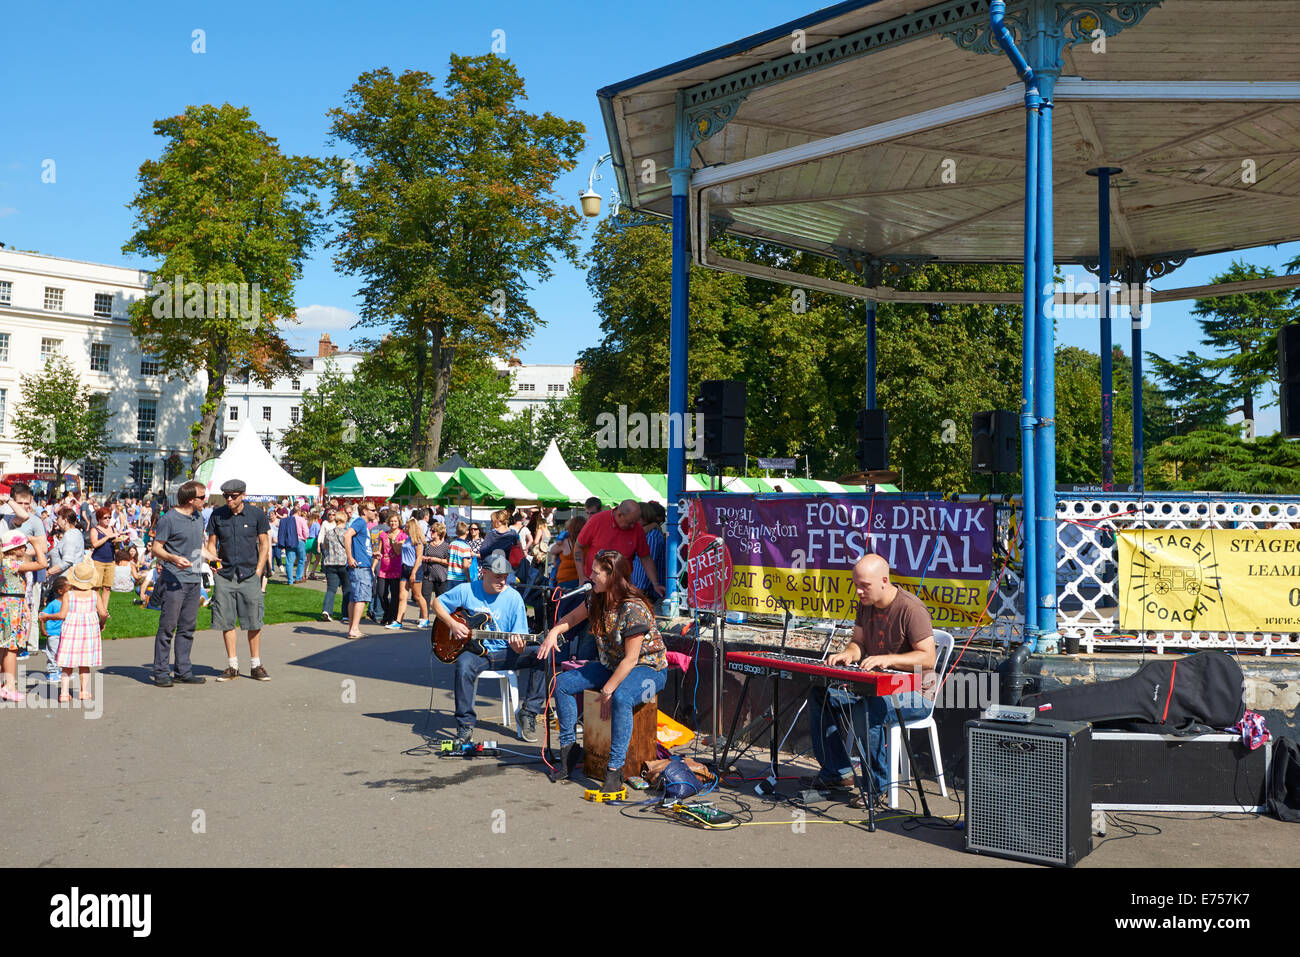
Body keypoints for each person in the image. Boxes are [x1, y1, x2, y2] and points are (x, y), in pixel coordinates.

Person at [802, 554, 936, 809]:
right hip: (874, 684)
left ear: (884, 581)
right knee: (820, 694)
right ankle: (838, 773)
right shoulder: (866, 604)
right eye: (856, 584)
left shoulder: (912, 609)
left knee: (869, 709)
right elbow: (858, 643)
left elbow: (928, 658)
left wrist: (888, 659)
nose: (858, 591)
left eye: (864, 585)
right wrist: (848, 654)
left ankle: (877, 787)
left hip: (917, 691)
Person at [542, 550, 668, 791]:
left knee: (621, 697)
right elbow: (572, 617)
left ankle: (614, 769)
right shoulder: (595, 598)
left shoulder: (632, 608)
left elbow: (631, 659)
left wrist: (608, 690)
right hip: (612, 664)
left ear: (612, 576)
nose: (589, 577)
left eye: (595, 573)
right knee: (562, 684)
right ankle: (569, 750)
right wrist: (554, 632)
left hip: (649, 668)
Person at [432, 552, 549, 745]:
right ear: (484, 573)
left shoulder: (514, 599)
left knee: (544, 654)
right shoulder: (466, 589)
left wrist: (518, 646)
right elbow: (437, 603)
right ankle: (465, 724)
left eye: (505, 577)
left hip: (505, 653)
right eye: (497, 577)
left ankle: (528, 712)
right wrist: (453, 625)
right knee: (463, 665)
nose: (503, 581)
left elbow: (518, 646)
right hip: (475, 653)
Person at [205, 479, 272, 682]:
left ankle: (255, 665)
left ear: (243, 495)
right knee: (226, 620)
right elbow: (211, 543)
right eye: (226, 496)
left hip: (249, 573)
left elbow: (264, 543)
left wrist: (259, 571)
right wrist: (214, 566)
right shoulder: (218, 515)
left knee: (254, 620)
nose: (229, 499)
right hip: (225, 575)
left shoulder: (256, 514)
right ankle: (232, 665)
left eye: (233, 496)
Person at [151, 480, 211, 687]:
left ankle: (183, 670)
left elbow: (198, 548)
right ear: (190, 499)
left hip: (194, 580)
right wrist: (173, 558)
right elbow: (156, 549)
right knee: (167, 627)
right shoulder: (169, 519)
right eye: (202, 497)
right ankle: (160, 672)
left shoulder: (198, 517)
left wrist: (213, 558)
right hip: (174, 580)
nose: (206, 500)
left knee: (188, 628)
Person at [573, 500, 665, 600]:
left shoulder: (636, 528)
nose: (633, 526)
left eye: (635, 522)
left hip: (620, 587)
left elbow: (645, 557)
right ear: (620, 514)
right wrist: (581, 577)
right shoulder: (597, 520)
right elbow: (578, 546)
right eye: (630, 523)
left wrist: (655, 583)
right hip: (595, 583)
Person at [52, 559, 106, 703]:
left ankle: (63, 693)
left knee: (67, 663)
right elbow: (103, 613)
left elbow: (62, 615)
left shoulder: (68, 595)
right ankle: (84, 691)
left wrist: (47, 616)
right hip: (89, 631)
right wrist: (102, 623)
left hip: (71, 630)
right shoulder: (95, 595)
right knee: (84, 663)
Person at [0, 530, 43, 700]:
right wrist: (36, 544)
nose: (25, 548)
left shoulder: (3, 563)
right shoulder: (12, 564)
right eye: (23, 546)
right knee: (11, 648)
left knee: (3, 647)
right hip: (12, 607)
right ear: (14, 548)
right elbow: (42, 563)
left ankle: (4, 684)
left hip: (7, 603)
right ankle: (9, 686)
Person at [344, 501, 378, 639]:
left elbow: (359, 543)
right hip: (360, 566)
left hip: (362, 563)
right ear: (364, 511)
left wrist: (371, 554)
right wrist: (349, 557)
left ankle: (352, 628)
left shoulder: (363, 524)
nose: (375, 512)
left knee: (355, 598)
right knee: (361, 598)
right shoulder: (360, 522)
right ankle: (354, 629)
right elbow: (347, 535)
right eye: (372, 509)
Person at [88, 506, 128, 618]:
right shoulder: (94, 530)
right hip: (98, 561)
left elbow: (115, 546)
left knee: (107, 587)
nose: (108, 519)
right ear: (99, 519)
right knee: (96, 587)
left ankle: (104, 610)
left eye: (109, 517)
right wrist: (107, 537)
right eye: (105, 517)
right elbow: (94, 544)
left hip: (110, 561)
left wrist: (118, 540)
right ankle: (97, 609)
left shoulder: (113, 529)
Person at [319, 510, 351, 623]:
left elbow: (325, 546)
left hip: (330, 563)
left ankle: (326, 610)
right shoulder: (347, 533)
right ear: (345, 520)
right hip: (343, 563)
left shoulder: (329, 532)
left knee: (331, 589)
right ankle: (346, 614)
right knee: (347, 589)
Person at [38, 576, 70, 686]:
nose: (71, 591)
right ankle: (52, 672)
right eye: (69, 589)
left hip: (65, 632)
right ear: (60, 591)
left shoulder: (70, 603)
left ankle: (60, 670)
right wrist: (42, 627)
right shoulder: (53, 604)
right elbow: (42, 615)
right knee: (53, 653)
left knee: (63, 653)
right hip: (53, 633)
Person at [631, 501, 667, 596]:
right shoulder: (645, 534)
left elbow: (643, 567)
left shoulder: (651, 536)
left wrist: (638, 591)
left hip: (646, 593)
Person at [377, 511, 406, 627]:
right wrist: (376, 555)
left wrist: (393, 540)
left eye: (395, 521)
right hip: (383, 568)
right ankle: (387, 613)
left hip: (396, 568)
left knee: (395, 595)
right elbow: (380, 550)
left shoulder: (402, 535)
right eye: (391, 521)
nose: (393, 523)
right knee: (381, 593)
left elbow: (398, 552)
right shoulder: (383, 534)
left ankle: (391, 617)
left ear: (399, 522)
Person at [276, 504, 303, 585]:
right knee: (301, 560)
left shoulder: (287, 519)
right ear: (299, 512)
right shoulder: (301, 519)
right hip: (300, 540)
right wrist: (304, 538)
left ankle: (290, 580)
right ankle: (298, 578)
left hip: (290, 541)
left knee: (289, 561)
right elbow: (305, 531)